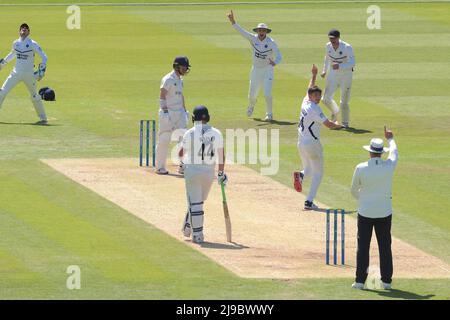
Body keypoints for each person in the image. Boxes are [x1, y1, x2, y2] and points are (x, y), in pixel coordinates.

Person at [351, 126, 398, 290]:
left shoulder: (361, 167)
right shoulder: (389, 166)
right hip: (384, 212)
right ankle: (386, 282)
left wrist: (363, 199)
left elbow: (353, 190)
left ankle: (359, 281)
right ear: (381, 152)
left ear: (370, 152)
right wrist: (391, 138)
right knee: (385, 246)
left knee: (363, 246)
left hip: (365, 212)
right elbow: (394, 153)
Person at [295, 64, 343, 210]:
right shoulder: (315, 109)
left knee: (308, 169)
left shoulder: (305, 101)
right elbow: (328, 124)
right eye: (316, 96)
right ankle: (309, 202)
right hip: (312, 144)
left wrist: (314, 75)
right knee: (318, 173)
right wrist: (339, 125)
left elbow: (310, 86)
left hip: (301, 142)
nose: (318, 98)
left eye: (319, 96)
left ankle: (301, 176)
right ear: (311, 96)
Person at [179, 105, 227, 244]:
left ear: (194, 118)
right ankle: (188, 228)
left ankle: (198, 235)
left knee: (195, 204)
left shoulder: (190, 132)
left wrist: (182, 164)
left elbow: (181, 153)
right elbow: (221, 155)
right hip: (208, 173)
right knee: (198, 202)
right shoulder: (216, 133)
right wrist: (221, 173)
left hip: (193, 172)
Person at [227, 10, 282, 121]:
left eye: (263, 30)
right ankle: (251, 106)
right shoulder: (252, 38)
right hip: (256, 70)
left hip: (267, 70)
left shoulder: (271, 42)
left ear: (266, 31)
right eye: (260, 30)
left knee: (267, 93)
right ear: (257, 31)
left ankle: (269, 114)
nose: (261, 32)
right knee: (252, 95)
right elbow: (242, 31)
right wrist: (233, 21)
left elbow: (279, 55)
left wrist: (275, 62)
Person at [0, 23, 49, 125]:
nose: (23, 31)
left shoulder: (32, 44)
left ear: (29, 32)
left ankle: (43, 118)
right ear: (19, 31)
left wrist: (42, 69)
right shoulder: (16, 43)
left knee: (35, 96)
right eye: (22, 29)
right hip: (15, 74)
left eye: (26, 29)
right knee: (2, 91)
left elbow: (44, 56)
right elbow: (13, 53)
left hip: (29, 75)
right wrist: (3, 63)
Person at [155, 56, 190, 175]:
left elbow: (181, 96)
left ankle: (182, 166)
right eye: (184, 67)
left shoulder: (180, 80)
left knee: (184, 140)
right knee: (164, 139)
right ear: (177, 66)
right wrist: (164, 112)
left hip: (179, 113)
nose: (185, 69)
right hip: (168, 113)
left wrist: (185, 111)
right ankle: (160, 167)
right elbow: (162, 95)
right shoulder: (168, 79)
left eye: (186, 67)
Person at [320, 29, 355, 128]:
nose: (332, 40)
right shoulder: (328, 46)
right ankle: (335, 111)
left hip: (346, 75)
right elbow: (327, 58)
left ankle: (345, 123)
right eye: (330, 38)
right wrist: (324, 71)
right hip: (333, 74)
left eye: (334, 38)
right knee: (325, 99)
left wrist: (340, 66)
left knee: (344, 101)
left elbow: (353, 62)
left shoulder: (347, 47)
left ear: (338, 38)